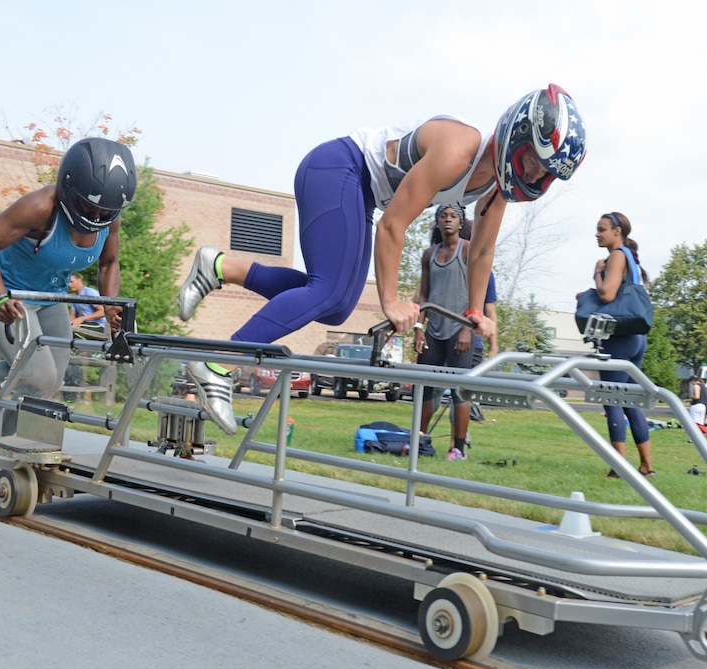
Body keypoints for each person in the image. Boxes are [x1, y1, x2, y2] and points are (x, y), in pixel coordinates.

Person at [178, 85, 586, 434]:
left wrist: (476, 309)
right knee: (328, 291)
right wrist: (390, 301)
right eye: (534, 161)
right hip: (338, 167)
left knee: (336, 308)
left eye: (544, 172)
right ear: (517, 134)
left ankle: (220, 267)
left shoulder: (496, 188)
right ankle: (217, 364)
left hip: (361, 190)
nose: (534, 176)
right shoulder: (459, 149)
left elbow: (480, 250)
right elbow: (393, 226)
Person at [0, 137, 131, 397]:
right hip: (8, 296)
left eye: (106, 211)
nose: (97, 217)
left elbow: (109, 263)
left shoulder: (110, 217)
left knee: (51, 383)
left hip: (50, 299)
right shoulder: (41, 207)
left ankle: (10, 435)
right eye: (90, 206)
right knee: (37, 377)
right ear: (69, 187)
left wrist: (110, 305)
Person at [585, 212, 654, 478]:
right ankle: (646, 466)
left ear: (617, 231)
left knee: (611, 399)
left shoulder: (616, 256)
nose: (597, 234)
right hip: (637, 338)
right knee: (630, 401)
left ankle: (619, 466)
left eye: (602, 229)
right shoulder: (631, 259)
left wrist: (597, 274)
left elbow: (607, 294)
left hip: (619, 338)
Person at [413, 205, 476, 460]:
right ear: (437, 222)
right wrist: (419, 328)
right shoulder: (429, 254)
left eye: (453, 216)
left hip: (460, 331)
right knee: (424, 389)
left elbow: (477, 292)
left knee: (460, 390)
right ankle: (419, 441)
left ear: (461, 222)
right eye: (443, 216)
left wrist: (467, 327)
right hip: (433, 331)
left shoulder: (468, 250)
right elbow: (424, 294)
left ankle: (458, 449)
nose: (447, 220)